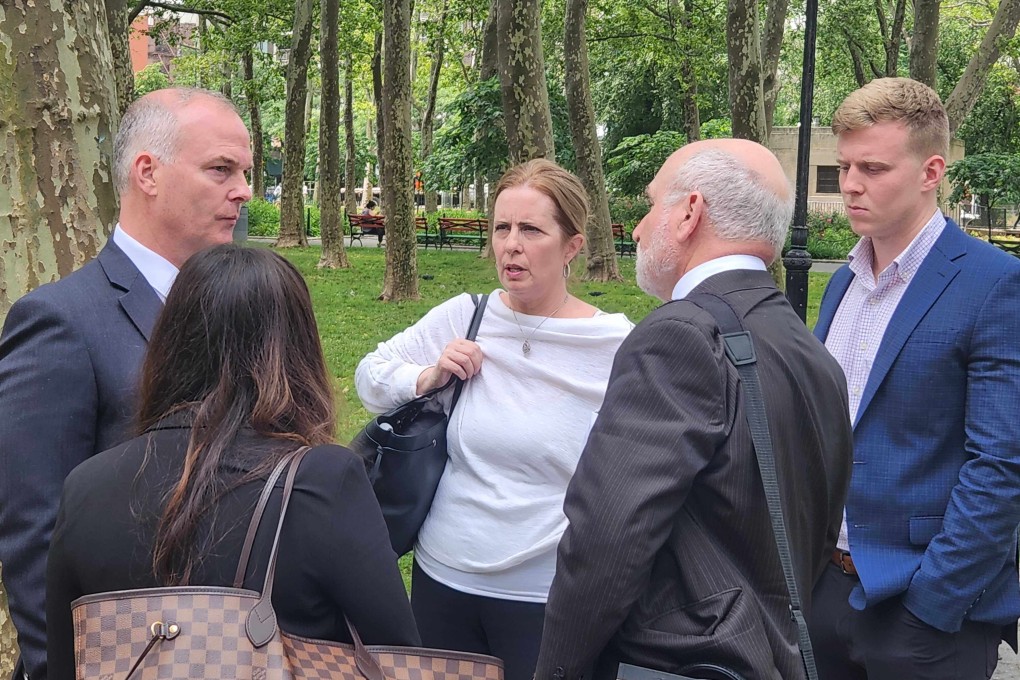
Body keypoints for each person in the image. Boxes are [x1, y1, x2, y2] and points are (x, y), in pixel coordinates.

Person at [533, 139, 854, 680]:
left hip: (676, 661)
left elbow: (607, 539)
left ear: (688, 213)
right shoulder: (811, 352)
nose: (636, 228)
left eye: (651, 204)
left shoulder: (680, 336)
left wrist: (556, 671)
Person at [45, 245, 420, 679]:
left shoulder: (85, 486)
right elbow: (397, 656)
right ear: (294, 353)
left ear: (169, 343)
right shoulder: (324, 482)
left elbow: (64, 659)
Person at [0, 87, 252, 680]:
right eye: (221, 169)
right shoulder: (59, 320)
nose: (243, 189)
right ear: (148, 173)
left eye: (244, 171)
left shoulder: (237, 309)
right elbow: (35, 535)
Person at [355, 159, 633, 680]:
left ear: (572, 246)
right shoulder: (468, 315)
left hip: (546, 592)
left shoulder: (614, 344)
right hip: (444, 577)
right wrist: (426, 377)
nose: (511, 244)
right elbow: (370, 375)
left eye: (531, 229)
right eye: (502, 228)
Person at [810, 77, 1020, 679]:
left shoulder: (994, 284)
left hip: (923, 614)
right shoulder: (845, 280)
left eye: (873, 168)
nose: (850, 183)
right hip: (827, 592)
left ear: (931, 171)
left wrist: (931, 608)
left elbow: (1001, 465)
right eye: (846, 165)